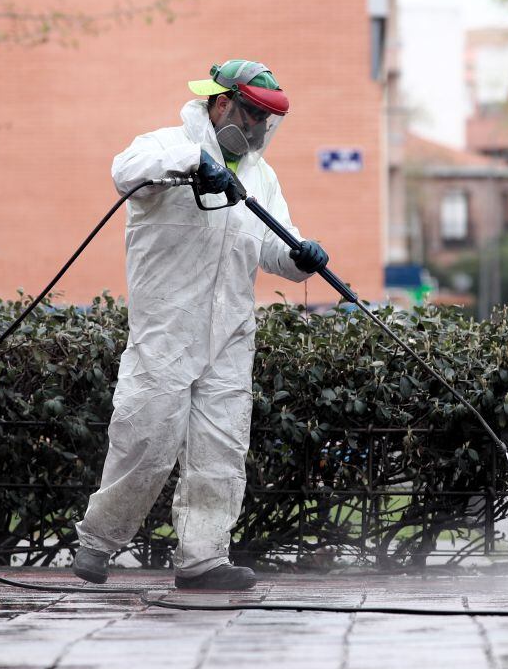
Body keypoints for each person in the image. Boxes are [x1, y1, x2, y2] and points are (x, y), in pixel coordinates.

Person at [71, 60, 328, 591]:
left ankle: (203, 558)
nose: (258, 129)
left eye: (267, 120)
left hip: (229, 332)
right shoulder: (162, 144)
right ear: (220, 103)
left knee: (221, 447)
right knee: (146, 437)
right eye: (252, 114)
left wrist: (301, 257)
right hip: (167, 328)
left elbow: (272, 247)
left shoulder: (260, 175)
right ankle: (97, 542)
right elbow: (126, 169)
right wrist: (194, 162)